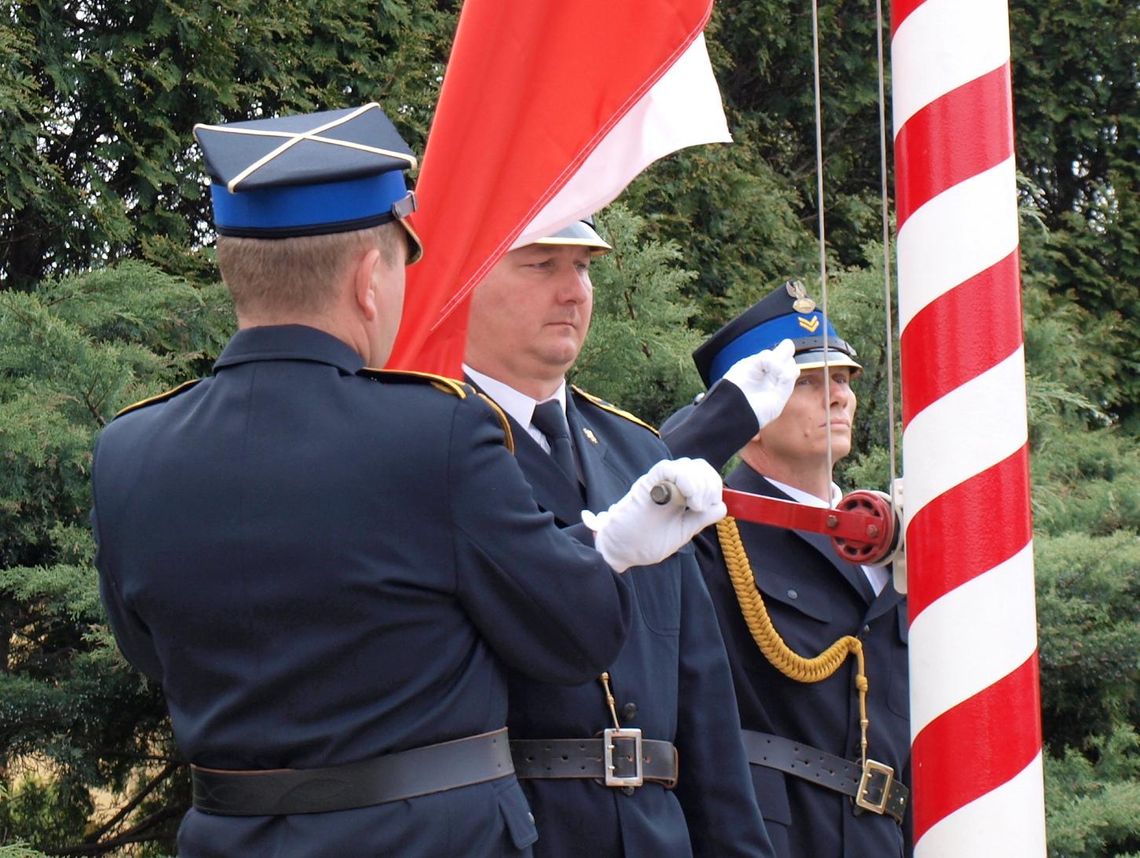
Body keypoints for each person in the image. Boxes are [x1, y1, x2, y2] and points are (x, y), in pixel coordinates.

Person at [90, 104, 728, 858]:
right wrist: (608, 548)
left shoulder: (128, 450)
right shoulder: (437, 432)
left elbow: (151, 652)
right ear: (368, 279)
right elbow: (572, 636)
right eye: (400, 266)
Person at [463, 217, 798, 857]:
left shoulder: (633, 449)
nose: (573, 291)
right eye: (542, 266)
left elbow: (701, 693)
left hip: (653, 832)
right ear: (470, 278)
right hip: (516, 831)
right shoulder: (436, 437)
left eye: (584, 267)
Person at [662, 281, 911, 858]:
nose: (840, 397)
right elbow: (636, 473)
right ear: (749, 413)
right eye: (807, 383)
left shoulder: (893, 543)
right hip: (771, 835)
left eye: (844, 379)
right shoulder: (707, 529)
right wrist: (713, 420)